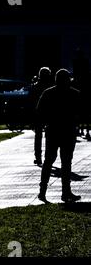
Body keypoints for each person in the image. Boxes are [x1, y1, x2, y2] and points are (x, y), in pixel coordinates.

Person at [37, 69, 82, 203]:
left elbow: (39, 111)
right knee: (66, 162)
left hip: (53, 131)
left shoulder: (48, 93)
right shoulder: (74, 94)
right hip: (68, 132)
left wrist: (46, 123)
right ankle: (65, 192)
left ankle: (42, 191)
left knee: (48, 161)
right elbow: (79, 112)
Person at [29, 67, 52, 166]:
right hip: (49, 114)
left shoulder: (35, 87)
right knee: (49, 136)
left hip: (37, 114)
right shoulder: (50, 87)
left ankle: (38, 157)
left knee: (38, 136)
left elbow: (30, 102)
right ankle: (48, 156)